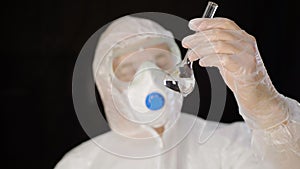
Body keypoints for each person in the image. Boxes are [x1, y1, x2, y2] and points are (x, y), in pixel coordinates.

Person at [55, 16, 300, 169]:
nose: (149, 77)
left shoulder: (228, 144)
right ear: (107, 85)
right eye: (129, 70)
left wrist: (268, 111)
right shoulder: (82, 163)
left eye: (160, 62)